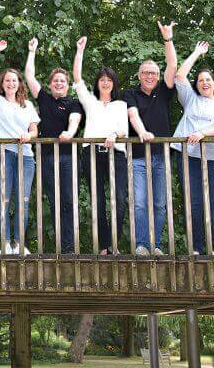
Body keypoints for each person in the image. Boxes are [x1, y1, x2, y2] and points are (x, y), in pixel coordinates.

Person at [172, 41, 214, 255]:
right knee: (194, 202)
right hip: (189, 157)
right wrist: (197, 52)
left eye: (208, 79)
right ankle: (196, 248)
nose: (204, 83)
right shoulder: (190, 99)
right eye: (200, 80)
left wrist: (202, 133)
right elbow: (179, 76)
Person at [124, 21, 179, 256]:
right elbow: (132, 115)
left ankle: (155, 245)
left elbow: (172, 65)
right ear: (139, 75)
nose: (150, 76)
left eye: (154, 73)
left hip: (161, 155)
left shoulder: (164, 91)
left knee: (159, 203)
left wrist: (168, 39)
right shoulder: (130, 94)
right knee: (139, 203)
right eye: (146, 72)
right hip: (137, 156)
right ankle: (142, 245)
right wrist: (142, 132)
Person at [0, 41, 40, 255]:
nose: (11, 83)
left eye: (14, 80)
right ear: (2, 83)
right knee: (4, 199)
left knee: (23, 201)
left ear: (19, 84)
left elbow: (34, 131)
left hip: (25, 156)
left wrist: (28, 136)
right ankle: (6, 244)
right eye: (7, 80)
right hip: (2, 154)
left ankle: (20, 244)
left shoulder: (27, 105)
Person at [25, 38, 83, 254]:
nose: (59, 83)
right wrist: (32, 51)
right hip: (47, 158)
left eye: (62, 81)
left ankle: (69, 248)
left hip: (67, 157)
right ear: (50, 84)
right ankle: (59, 247)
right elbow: (29, 76)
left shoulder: (73, 103)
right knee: (54, 201)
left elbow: (75, 120)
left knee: (68, 200)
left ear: (67, 85)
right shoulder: (45, 99)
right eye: (56, 81)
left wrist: (69, 133)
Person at [72, 36, 129, 255]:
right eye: (102, 80)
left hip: (116, 153)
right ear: (97, 83)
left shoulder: (121, 104)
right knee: (97, 200)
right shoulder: (90, 102)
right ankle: (104, 246)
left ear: (114, 83)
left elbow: (123, 129)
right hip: (92, 153)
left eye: (109, 80)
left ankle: (114, 244)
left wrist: (114, 134)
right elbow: (77, 78)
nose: (105, 83)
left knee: (120, 199)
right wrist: (80, 51)